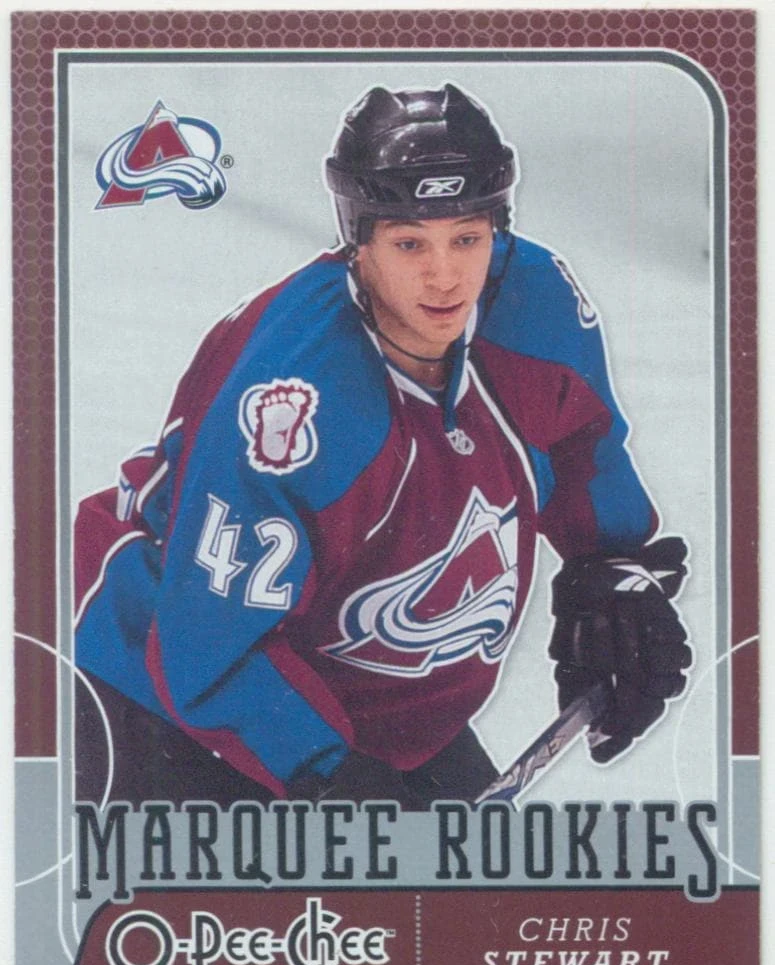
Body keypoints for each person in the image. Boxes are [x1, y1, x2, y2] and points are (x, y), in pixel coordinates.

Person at [74, 83, 691, 810]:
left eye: (467, 237)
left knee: (457, 885)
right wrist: (324, 771)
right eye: (409, 243)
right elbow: (205, 644)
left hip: (362, 706)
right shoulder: (294, 401)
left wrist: (610, 569)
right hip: (162, 690)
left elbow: (583, 447)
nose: (444, 275)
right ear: (358, 244)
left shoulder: (535, 305)